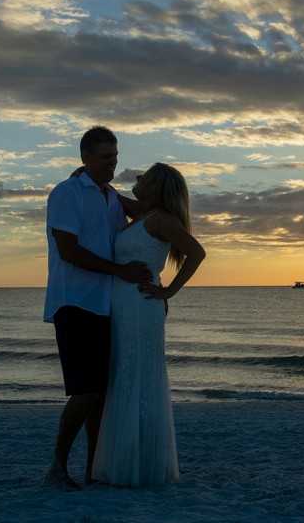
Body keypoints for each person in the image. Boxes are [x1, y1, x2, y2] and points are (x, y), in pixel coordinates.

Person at [43, 126, 153, 491]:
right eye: (105, 158)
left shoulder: (110, 197)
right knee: (86, 390)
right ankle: (57, 466)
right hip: (74, 300)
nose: (112, 164)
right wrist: (119, 270)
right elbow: (68, 250)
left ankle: (92, 468)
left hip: (106, 305)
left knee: (102, 391)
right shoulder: (67, 193)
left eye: (115, 158)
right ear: (85, 158)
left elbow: (149, 214)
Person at [92, 163, 206, 487]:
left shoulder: (161, 219)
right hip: (125, 307)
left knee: (139, 376)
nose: (137, 178)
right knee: (125, 375)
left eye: (145, 176)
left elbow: (197, 252)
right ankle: (128, 460)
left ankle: (141, 465)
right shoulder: (142, 214)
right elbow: (110, 195)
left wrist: (169, 289)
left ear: (156, 186)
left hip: (142, 308)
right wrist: (84, 175)